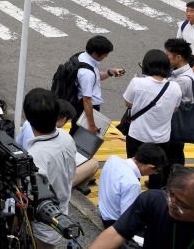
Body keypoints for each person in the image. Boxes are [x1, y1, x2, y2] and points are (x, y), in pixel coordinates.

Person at [91, 166, 194, 248]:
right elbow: (116, 234)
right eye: (170, 195)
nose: (172, 204)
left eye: (182, 206)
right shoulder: (154, 200)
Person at [23, 88, 77, 249]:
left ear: (28, 118)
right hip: (61, 211)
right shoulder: (66, 138)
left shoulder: (35, 156)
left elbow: (28, 198)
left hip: (42, 227)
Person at [122, 49, 183, 189]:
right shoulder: (175, 87)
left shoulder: (137, 82)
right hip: (161, 138)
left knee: (134, 168)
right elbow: (175, 109)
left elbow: (128, 103)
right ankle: (155, 197)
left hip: (137, 135)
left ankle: (131, 195)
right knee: (157, 170)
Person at [98, 143, 168, 228]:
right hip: (113, 223)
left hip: (103, 211)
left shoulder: (112, 159)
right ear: (150, 167)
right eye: (156, 171)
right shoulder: (133, 183)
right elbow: (128, 218)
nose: (154, 173)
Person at [75, 35, 126, 135]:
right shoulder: (87, 73)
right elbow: (87, 100)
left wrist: (110, 72)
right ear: (95, 53)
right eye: (105, 54)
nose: (106, 56)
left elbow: (96, 76)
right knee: (82, 139)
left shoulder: (83, 57)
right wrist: (91, 125)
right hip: (86, 109)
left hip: (84, 107)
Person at [164, 38, 194, 178]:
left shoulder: (183, 79)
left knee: (173, 154)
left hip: (177, 122)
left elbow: (169, 99)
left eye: (168, 55)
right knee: (171, 152)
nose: (166, 57)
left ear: (178, 57)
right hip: (174, 120)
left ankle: (171, 182)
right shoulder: (177, 71)